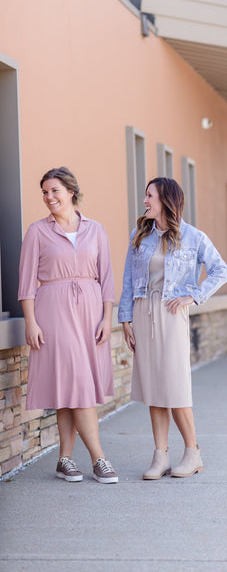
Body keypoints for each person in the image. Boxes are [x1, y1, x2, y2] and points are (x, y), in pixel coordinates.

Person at [119, 177, 227, 480]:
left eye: (149, 196)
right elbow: (129, 280)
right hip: (144, 313)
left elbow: (221, 270)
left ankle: (192, 453)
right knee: (154, 389)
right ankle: (160, 456)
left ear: (165, 199)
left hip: (172, 314)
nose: (145, 201)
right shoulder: (140, 235)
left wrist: (193, 295)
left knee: (175, 388)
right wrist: (125, 321)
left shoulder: (193, 237)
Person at [18, 167, 118, 484]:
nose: (49, 197)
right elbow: (26, 283)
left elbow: (107, 279)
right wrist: (31, 322)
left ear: (71, 192)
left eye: (55, 191)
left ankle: (64, 459)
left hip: (90, 314)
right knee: (77, 385)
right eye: (45, 192)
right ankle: (99, 458)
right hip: (54, 313)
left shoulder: (96, 230)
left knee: (69, 389)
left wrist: (107, 318)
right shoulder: (37, 232)